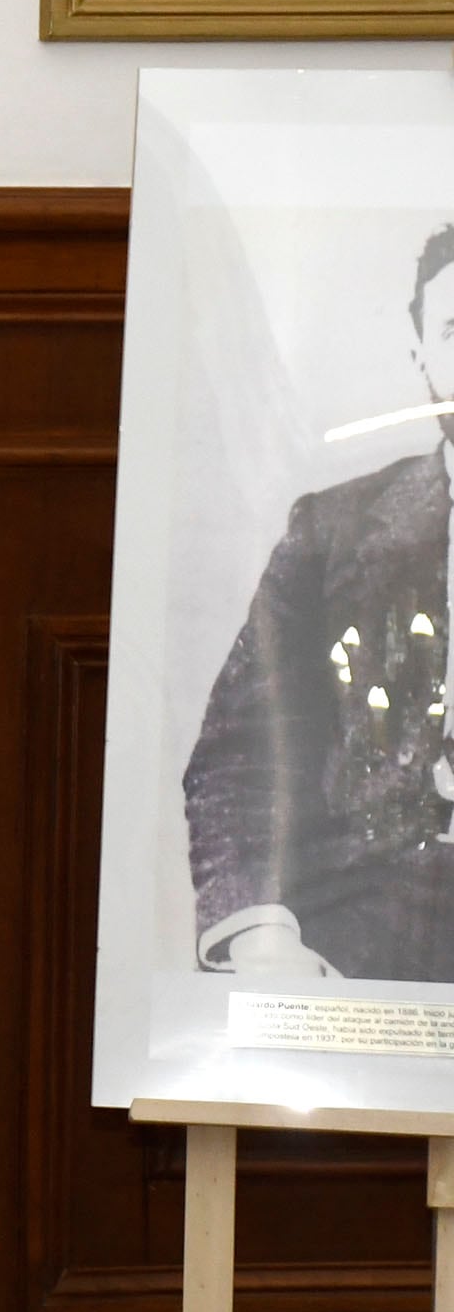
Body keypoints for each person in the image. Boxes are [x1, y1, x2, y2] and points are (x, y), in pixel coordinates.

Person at [184, 222, 454, 985]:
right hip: (360, 947)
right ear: (421, 356)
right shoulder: (331, 531)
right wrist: (263, 938)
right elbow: (241, 754)